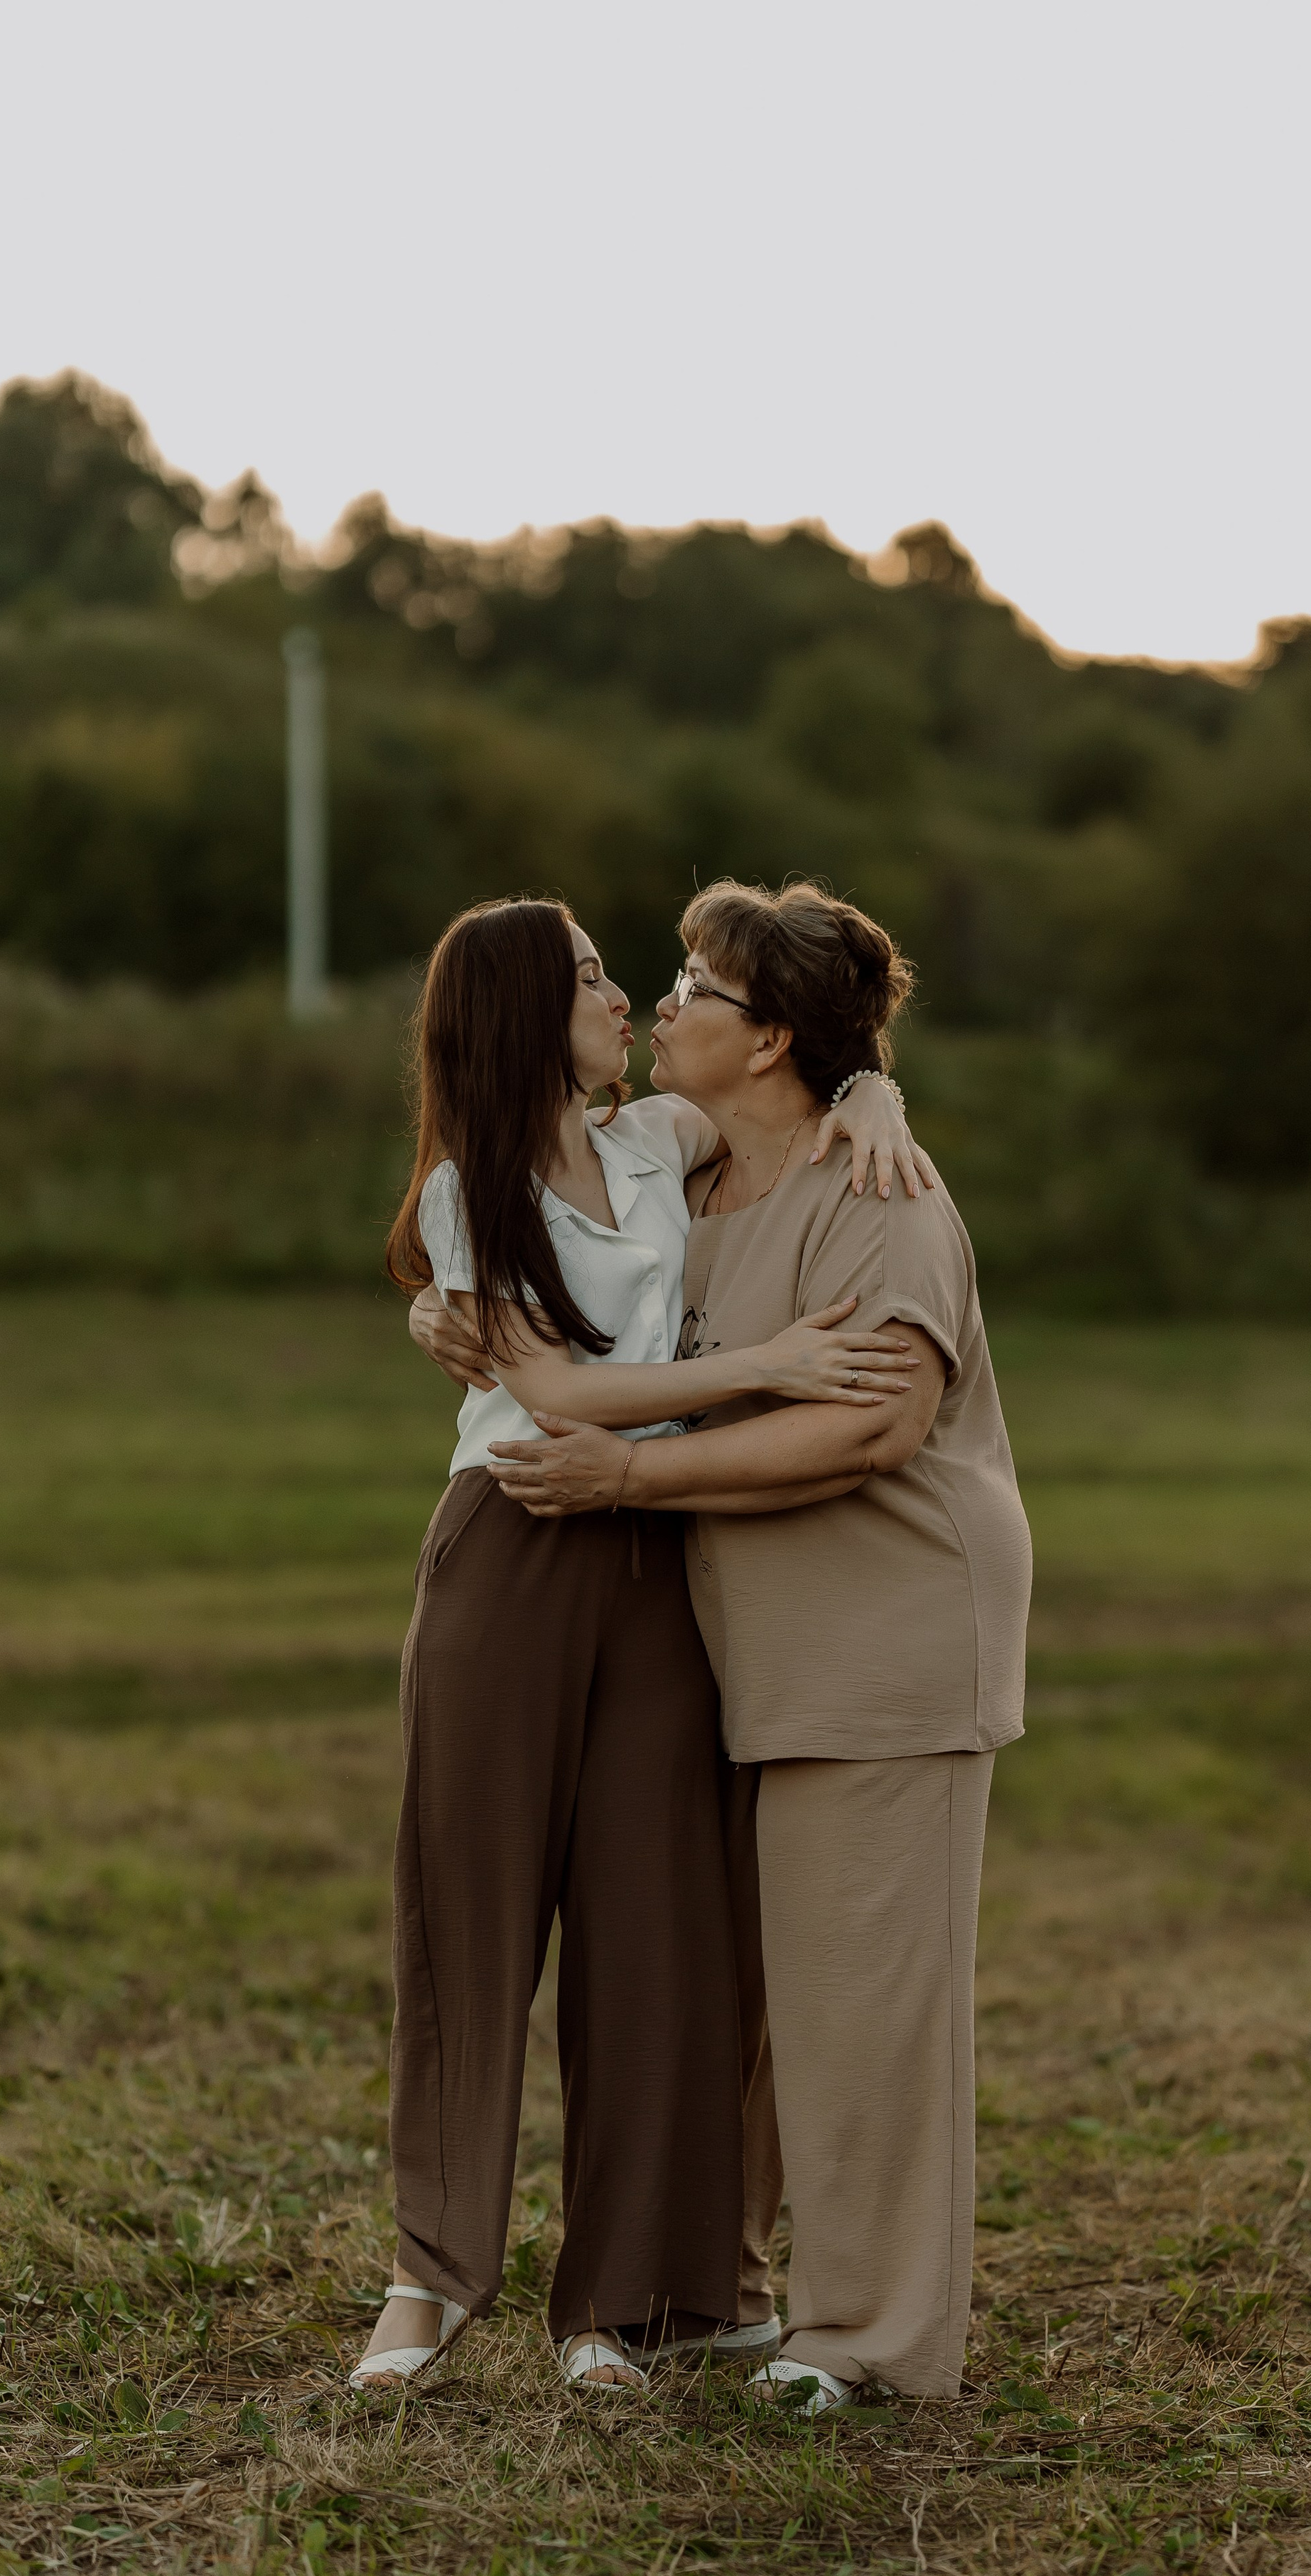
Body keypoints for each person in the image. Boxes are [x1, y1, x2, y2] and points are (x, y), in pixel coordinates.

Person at [350, 895, 922, 2395]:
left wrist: (877, 1085)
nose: (627, 1003)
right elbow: (548, 1389)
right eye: (599, 979)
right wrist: (771, 1363)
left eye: (631, 979)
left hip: (656, 1560)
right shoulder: (469, 1192)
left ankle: (618, 2304)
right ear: (527, 1010)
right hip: (515, 1541)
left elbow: (799, 1076)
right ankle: (433, 2278)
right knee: (468, 1917)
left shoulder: (654, 1142)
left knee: (653, 1931)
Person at [477, 879, 1033, 2411]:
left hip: (886, 1642)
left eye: (693, 990)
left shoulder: (883, 1195)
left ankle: (866, 2340)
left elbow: (872, 1421)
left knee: (863, 2008)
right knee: (751, 2002)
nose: (662, 1007)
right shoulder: (699, 1183)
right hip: (744, 1659)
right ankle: (705, 2294)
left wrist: (628, 1476)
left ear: (771, 1036)